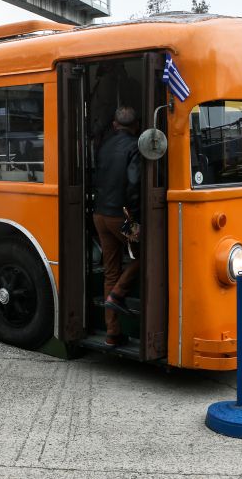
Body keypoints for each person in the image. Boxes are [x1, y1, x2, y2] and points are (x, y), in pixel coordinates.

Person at [93, 106, 142, 347]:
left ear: (114, 125)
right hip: (121, 217)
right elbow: (134, 184)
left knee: (110, 270)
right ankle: (118, 293)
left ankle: (113, 333)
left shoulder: (103, 145)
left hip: (100, 214)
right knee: (146, 254)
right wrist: (134, 215)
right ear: (136, 126)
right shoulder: (135, 146)